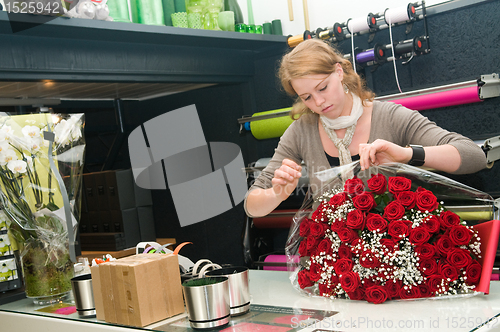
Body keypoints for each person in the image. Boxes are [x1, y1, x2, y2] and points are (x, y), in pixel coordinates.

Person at [244, 39, 487, 218]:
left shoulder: (390, 116)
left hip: (394, 257)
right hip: (332, 264)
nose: (318, 102)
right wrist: (277, 194)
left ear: (339, 71)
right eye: (306, 97)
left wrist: (408, 155)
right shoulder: (301, 131)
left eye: (323, 88)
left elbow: (474, 156)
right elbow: (251, 205)